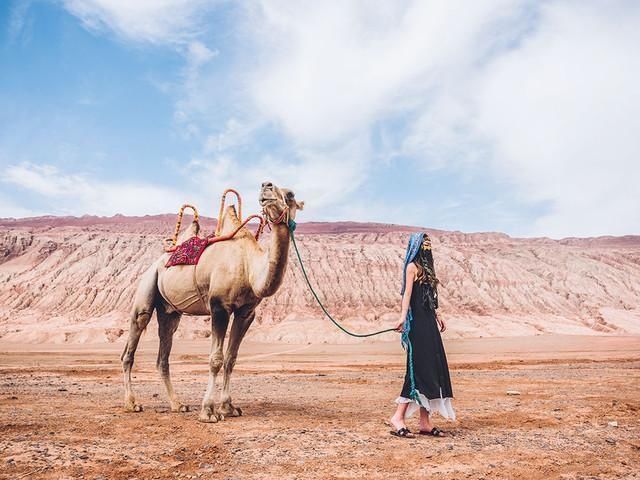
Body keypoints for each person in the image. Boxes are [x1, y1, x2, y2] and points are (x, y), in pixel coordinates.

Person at [388, 232, 455, 438]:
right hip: (416, 325)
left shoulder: (428, 270)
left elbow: (431, 297)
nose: (427, 247)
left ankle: (425, 422)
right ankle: (397, 418)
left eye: (429, 244)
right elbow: (407, 294)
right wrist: (401, 318)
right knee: (417, 371)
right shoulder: (412, 268)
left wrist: (438, 313)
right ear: (416, 247)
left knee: (432, 370)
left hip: (430, 325)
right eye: (423, 244)